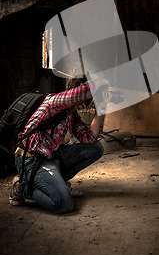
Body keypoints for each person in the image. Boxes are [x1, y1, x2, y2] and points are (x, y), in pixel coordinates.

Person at [9, 77, 109, 214]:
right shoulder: (54, 102)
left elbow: (89, 138)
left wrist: (100, 109)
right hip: (31, 160)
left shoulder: (71, 114)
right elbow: (85, 90)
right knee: (63, 204)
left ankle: (57, 182)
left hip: (50, 158)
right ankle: (20, 187)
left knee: (96, 148)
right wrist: (103, 83)